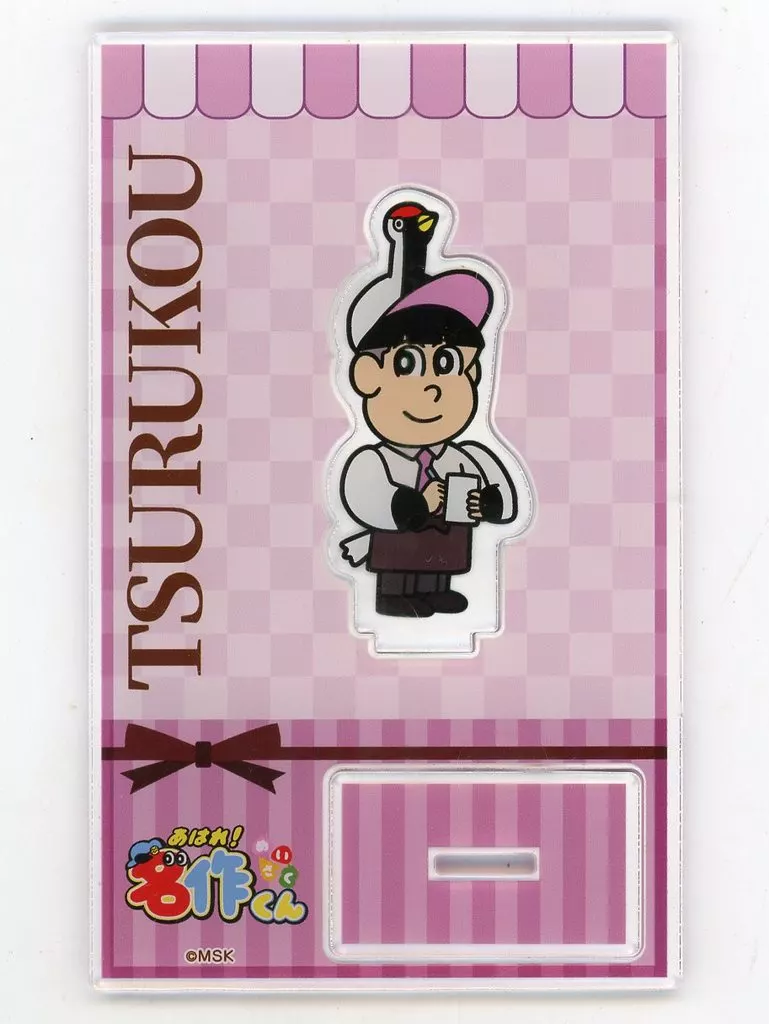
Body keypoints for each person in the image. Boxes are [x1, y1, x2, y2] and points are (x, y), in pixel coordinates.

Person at [339, 271, 523, 617]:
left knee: (442, 550)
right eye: (407, 363)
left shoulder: (466, 457)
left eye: (446, 364)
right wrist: (416, 504)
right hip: (396, 548)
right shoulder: (374, 461)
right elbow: (362, 497)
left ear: (471, 375)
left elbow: (505, 499)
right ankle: (392, 597)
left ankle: (436, 590)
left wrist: (486, 503)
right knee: (400, 551)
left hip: (444, 546)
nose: (433, 389)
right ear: (367, 376)